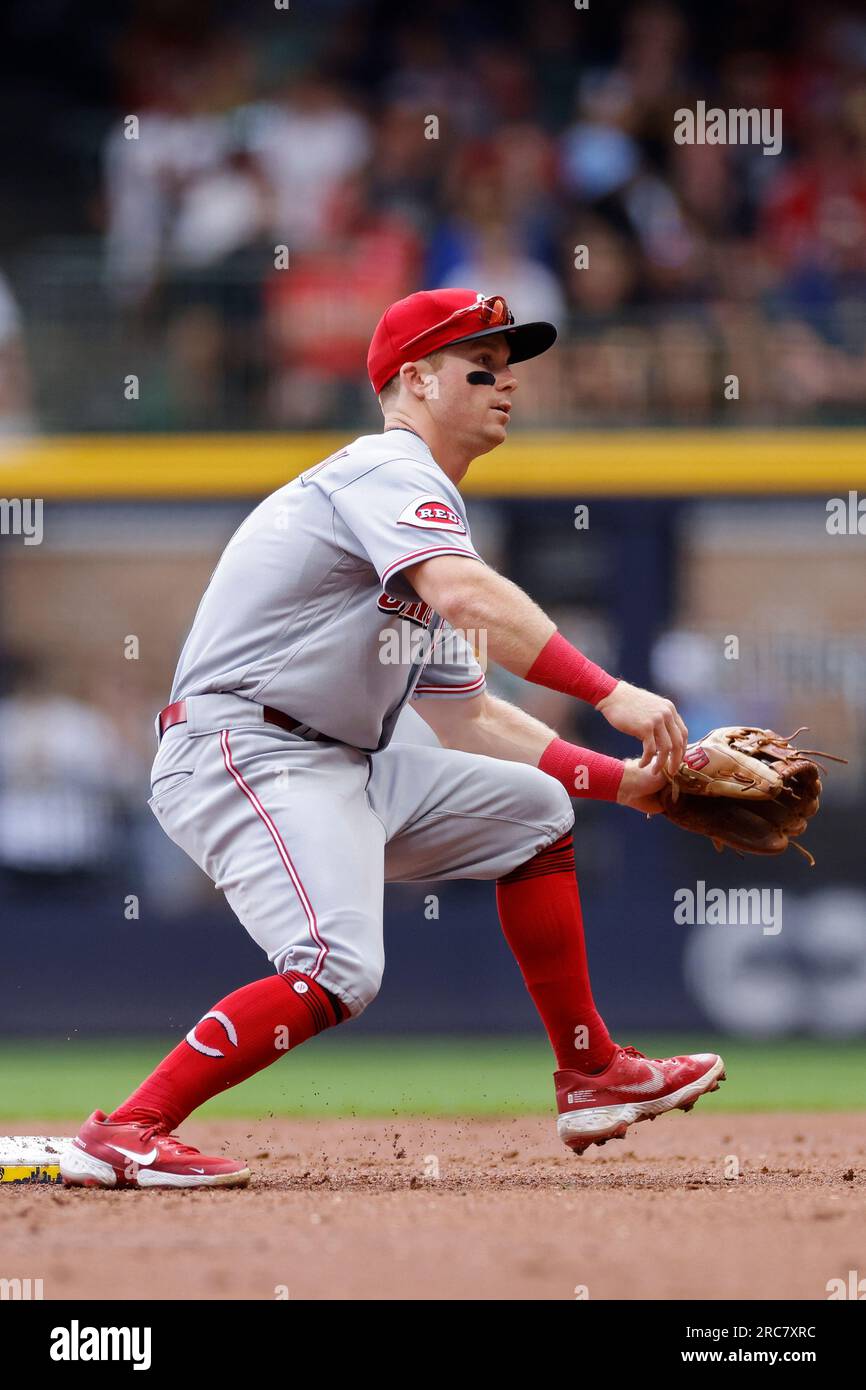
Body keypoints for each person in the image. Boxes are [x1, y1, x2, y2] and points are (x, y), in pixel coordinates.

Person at [61, 288, 723, 1190]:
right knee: (337, 967)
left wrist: (628, 785)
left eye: (510, 366)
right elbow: (466, 594)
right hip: (245, 749)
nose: (506, 383)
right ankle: (129, 1129)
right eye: (479, 365)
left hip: (338, 760)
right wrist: (610, 693)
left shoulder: (417, 518)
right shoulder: (387, 473)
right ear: (415, 379)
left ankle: (591, 1072)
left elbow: (470, 717)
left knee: (535, 810)